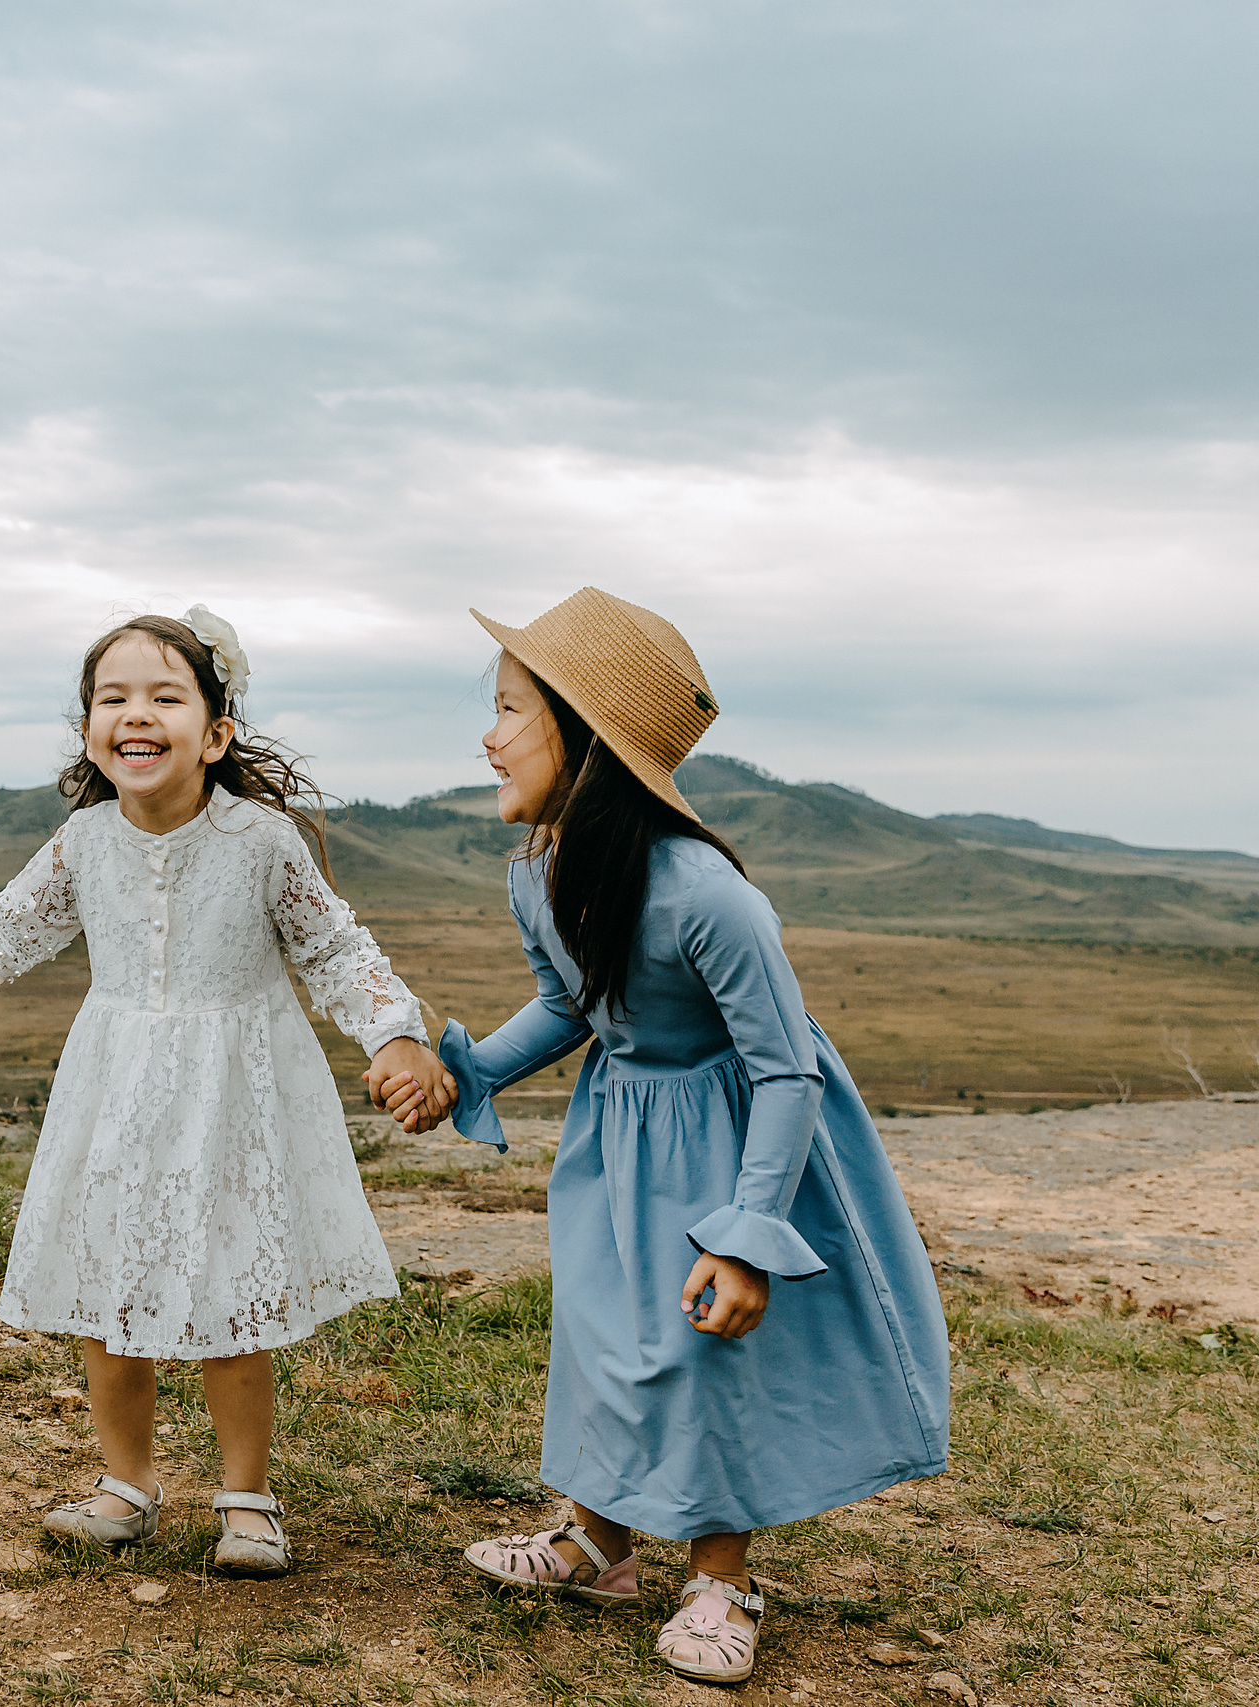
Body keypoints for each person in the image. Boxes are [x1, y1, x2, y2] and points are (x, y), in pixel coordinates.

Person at [0, 609, 457, 1577]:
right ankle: (127, 1485)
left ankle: (246, 1497)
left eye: (166, 695)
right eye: (112, 697)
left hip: (235, 1096)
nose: (135, 713)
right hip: (114, 1094)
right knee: (110, 1293)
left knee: (230, 1295)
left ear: (215, 734)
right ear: (89, 733)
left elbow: (333, 948)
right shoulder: (84, 845)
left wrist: (397, 1033)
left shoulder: (260, 843)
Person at [437, 589, 950, 1685]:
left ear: (582, 736)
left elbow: (785, 1066)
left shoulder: (709, 895)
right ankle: (598, 1539)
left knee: (708, 1350)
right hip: (620, 1133)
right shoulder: (536, 866)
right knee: (605, 1329)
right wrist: (472, 1070)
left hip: (733, 1135)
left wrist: (748, 1228)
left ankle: (722, 1578)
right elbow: (573, 1006)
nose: (487, 737)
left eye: (509, 712)